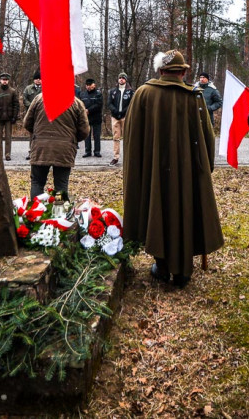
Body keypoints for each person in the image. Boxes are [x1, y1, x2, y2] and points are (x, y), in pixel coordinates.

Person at [122, 50, 224, 289]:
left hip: (153, 171)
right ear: (184, 72)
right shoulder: (195, 97)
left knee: (157, 207)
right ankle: (182, 271)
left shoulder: (143, 94)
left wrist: (138, 171)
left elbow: (132, 140)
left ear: (160, 71)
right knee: (185, 209)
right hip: (188, 173)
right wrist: (205, 167)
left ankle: (163, 265)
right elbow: (208, 138)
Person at [23, 85, 89, 202]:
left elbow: (27, 123)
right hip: (64, 149)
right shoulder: (76, 103)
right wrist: (71, 140)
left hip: (41, 148)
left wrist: (39, 135)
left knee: (37, 182)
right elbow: (84, 131)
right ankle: (61, 216)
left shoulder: (39, 99)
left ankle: (35, 215)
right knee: (61, 185)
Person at [108, 72, 134, 166]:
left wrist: (123, 112)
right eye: (120, 78)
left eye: (123, 78)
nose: (121, 79)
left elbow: (131, 103)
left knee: (127, 137)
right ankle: (115, 157)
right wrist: (115, 111)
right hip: (115, 117)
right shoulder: (113, 91)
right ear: (118, 79)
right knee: (116, 137)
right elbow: (109, 103)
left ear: (126, 80)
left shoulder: (130, 91)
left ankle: (128, 156)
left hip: (125, 116)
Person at [0, 72, 20, 161]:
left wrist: (14, 117)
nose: (5, 81)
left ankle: (7, 154)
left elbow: (16, 105)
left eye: (6, 80)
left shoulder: (12, 91)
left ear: (8, 81)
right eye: (3, 80)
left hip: (9, 117)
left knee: (8, 137)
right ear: (0, 80)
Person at [81, 78, 104, 158]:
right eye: (87, 85)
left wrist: (89, 110)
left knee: (96, 135)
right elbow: (81, 104)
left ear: (93, 85)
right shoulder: (83, 94)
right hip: (86, 118)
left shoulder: (98, 94)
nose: (88, 87)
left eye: (90, 85)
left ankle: (97, 151)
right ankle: (88, 151)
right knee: (87, 135)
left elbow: (99, 105)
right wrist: (84, 110)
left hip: (96, 117)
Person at [22, 71, 43, 161]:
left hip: (42, 114)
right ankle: (31, 152)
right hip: (31, 114)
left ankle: (41, 153)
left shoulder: (46, 87)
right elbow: (24, 99)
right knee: (32, 135)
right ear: (34, 80)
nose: (38, 80)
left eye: (40, 79)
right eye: (36, 79)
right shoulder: (28, 88)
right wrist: (32, 106)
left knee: (42, 134)